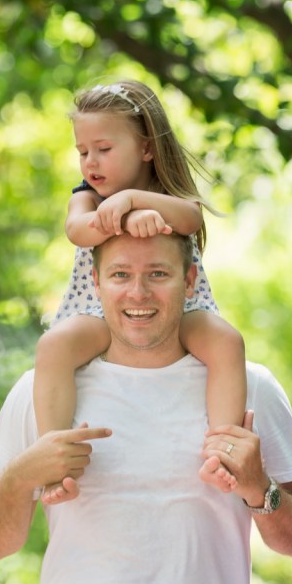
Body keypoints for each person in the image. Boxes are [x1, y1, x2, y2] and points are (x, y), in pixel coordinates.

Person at [0, 231, 292, 584]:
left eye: (157, 273)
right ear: (95, 281)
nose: (138, 293)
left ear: (189, 281)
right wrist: (20, 476)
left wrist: (260, 489)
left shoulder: (248, 385)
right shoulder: (44, 389)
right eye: (120, 274)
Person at [34, 79, 246, 504]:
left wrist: (133, 199)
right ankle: (53, 461)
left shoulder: (168, 196)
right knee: (54, 346)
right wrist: (120, 219)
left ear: (146, 147)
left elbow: (189, 218)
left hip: (176, 310)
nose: (91, 162)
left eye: (104, 149)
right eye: (82, 152)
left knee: (226, 340)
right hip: (100, 313)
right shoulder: (87, 196)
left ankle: (224, 451)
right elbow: (77, 230)